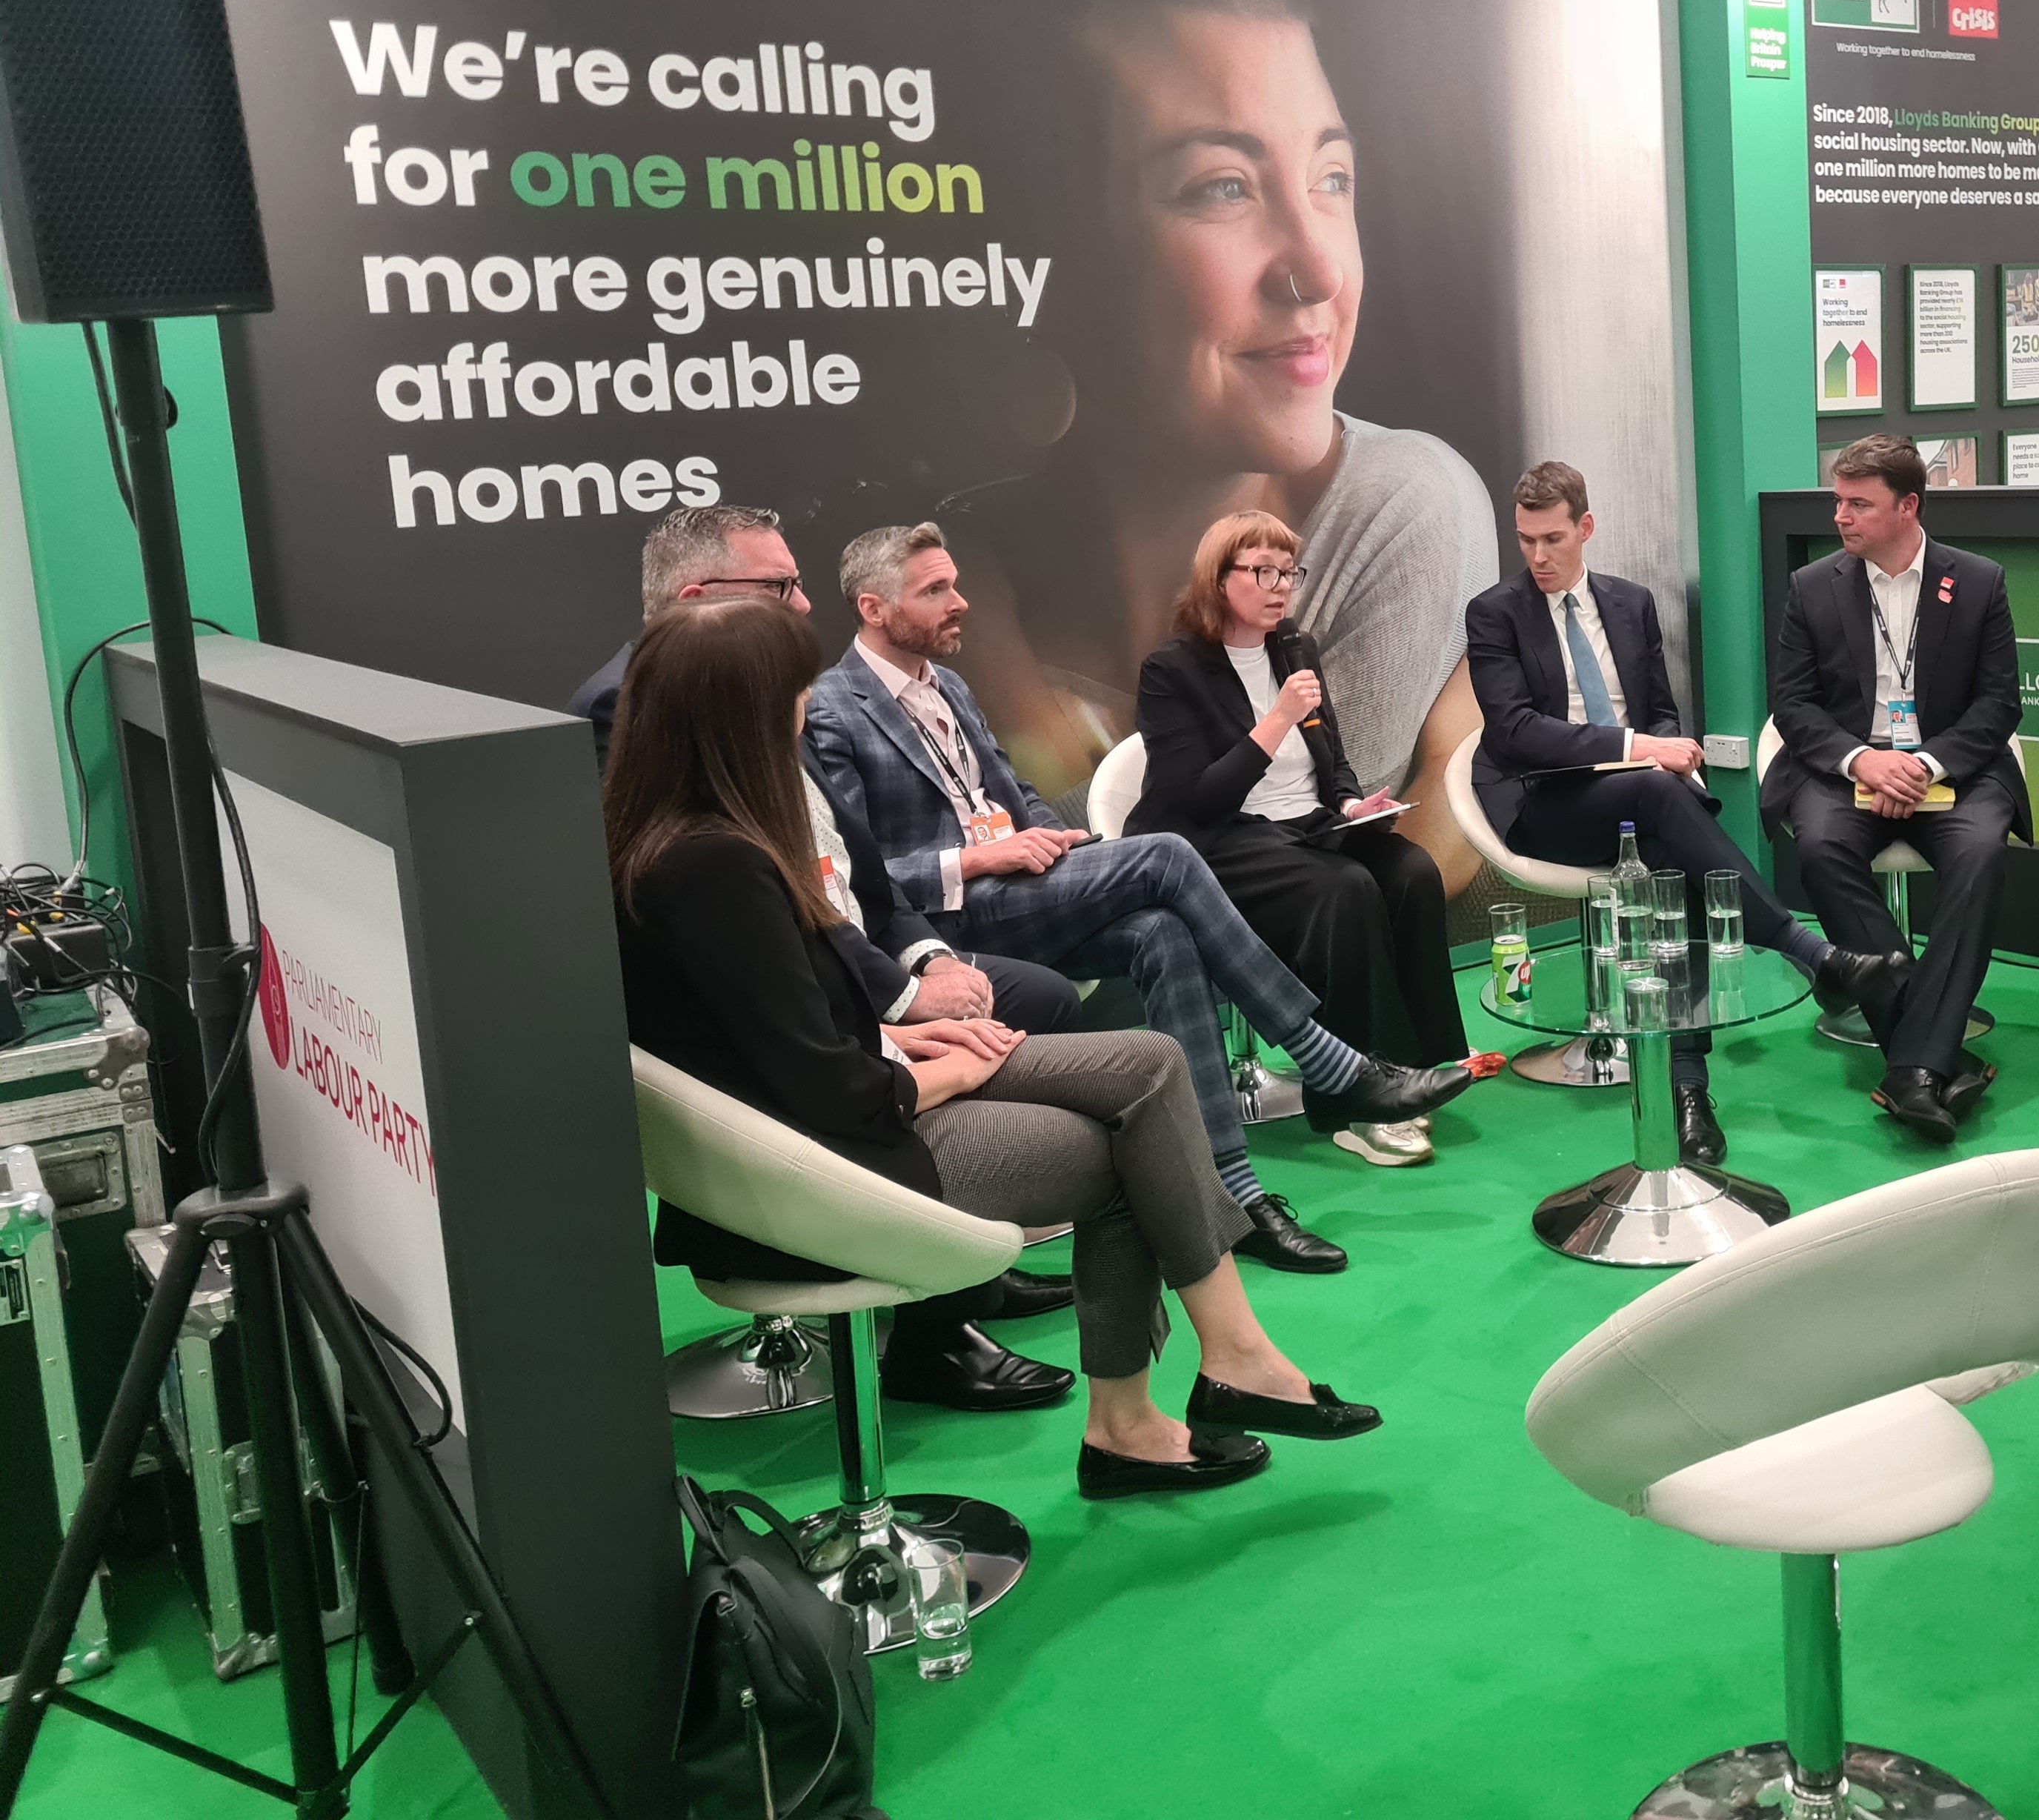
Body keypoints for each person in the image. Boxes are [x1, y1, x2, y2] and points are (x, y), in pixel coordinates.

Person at [607, 598, 1380, 1500]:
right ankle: (1156, 1408)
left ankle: (1221, 1365)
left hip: (840, 1109)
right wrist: (950, 1068)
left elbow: (764, 1030)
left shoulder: (678, 841)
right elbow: (825, 1091)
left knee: (1150, 1066)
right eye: (791, 690)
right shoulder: (714, 867)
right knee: (1135, 1148)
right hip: (829, 1168)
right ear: (740, 713)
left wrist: (902, 1031)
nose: (805, 709)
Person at [935, 0, 1495, 888]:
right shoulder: (953, 566)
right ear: (1056, 248)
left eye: (1332, 176)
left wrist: (1009, 693)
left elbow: (1281, 876)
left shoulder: (1403, 498)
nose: (1318, 270)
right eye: (1222, 186)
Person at [802, 521, 1477, 1275]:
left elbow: (1013, 793)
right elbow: (863, 878)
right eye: (936, 591)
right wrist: (982, 855)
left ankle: (1234, 1194)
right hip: (953, 915)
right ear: (872, 607)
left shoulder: (947, 686)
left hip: (1027, 886)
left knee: (1164, 931)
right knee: (1166, 855)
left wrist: (1052, 838)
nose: (960, 602)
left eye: (956, 583)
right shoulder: (833, 709)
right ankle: (1328, 1061)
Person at [571, 505, 1079, 1381]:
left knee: (1061, 1008)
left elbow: (858, 875)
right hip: (788, 1061)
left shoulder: (762, 688)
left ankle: (967, 1284)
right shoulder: (662, 739)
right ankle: (936, 1315)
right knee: (1096, 1075)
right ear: (700, 600)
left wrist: (927, 967)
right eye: (779, 588)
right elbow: (756, 949)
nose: (806, 606)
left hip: (841, 991)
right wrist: (899, 1019)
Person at [1465, 461, 1903, 1163]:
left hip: (1639, 799)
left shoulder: (1631, 602)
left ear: (1586, 528)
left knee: (1675, 863)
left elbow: (1661, 707)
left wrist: (1670, 755)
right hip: (1544, 800)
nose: (1538, 557)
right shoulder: (1495, 613)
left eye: (1552, 539)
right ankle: (1806, 952)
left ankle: (1690, 1092)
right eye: (1525, 541)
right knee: (1660, 800)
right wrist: (1644, 749)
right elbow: (1516, 732)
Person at [1133, 511, 1500, 1169]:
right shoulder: (1172, 671)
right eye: (1262, 571)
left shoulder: (1294, 649)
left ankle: (1424, 1065)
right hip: (1215, 841)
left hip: (1307, 827)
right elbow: (1200, 797)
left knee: (1410, 869)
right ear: (1218, 581)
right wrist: (1275, 719)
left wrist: (1352, 803)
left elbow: (1330, 757)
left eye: (1288, 572)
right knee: (1347, 889)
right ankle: (1357, 1103)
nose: (1280, 587)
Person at [1760, 434, 2030, 1146]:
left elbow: (1999, 705)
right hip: (1844, 770)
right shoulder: (1812, 587)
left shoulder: (1978, 581)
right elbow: (1793, 705)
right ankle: (1934, 1059)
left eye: (1858, 504)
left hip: (1953, 771)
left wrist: (1926, 765)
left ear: (1909, 507)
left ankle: (1911, 1063)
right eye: (1838, 502)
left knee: (1980, 855)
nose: (1840, 517)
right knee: (1818, 847)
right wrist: (1862, 761)